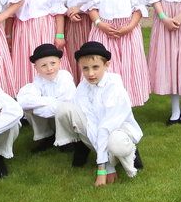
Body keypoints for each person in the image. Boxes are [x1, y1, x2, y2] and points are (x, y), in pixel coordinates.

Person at [56, 41, 143, 186]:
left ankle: (125, 154)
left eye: (96, 67)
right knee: (64, 109)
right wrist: (106, 167)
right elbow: (91, 123)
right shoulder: (83, 86)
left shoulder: (114, 86)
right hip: (96, 131)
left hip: (117, 131)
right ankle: (86, 149)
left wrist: (103, 169)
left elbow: (105, 127)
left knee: (116, 143)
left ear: (106, 65)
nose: (90, 74)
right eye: (85, 68)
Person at [86, 0, 150, 106]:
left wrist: (129, 26)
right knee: (106, 69)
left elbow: (139, 8)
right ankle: (104, 108)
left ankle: (126, 111)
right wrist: (100, 23)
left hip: (127, 30)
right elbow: (91, 7)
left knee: (129, 69)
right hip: (104, 29)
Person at [7, 0, 69, 89]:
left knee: (48, 59)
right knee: (26, 60)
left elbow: (58, 10)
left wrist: (59, 35)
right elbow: (11, 14)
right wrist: (8, 35)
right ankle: (28, 93)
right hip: (24, 30)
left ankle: (55, 91)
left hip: (45, 27)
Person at [15, 42, 75, 152]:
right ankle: (47, 136)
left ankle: (68, 139)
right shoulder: (38, 80)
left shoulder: (65, 77)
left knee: (62, 110)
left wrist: (38, 106)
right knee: (29, 109)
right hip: (50, 112)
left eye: (53, 63)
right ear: (36, 68)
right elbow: (24, 101)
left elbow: (64, 104)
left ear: (59, 62)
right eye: (43, 65)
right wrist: (50, 101)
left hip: (68, 116)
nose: (49, 68)